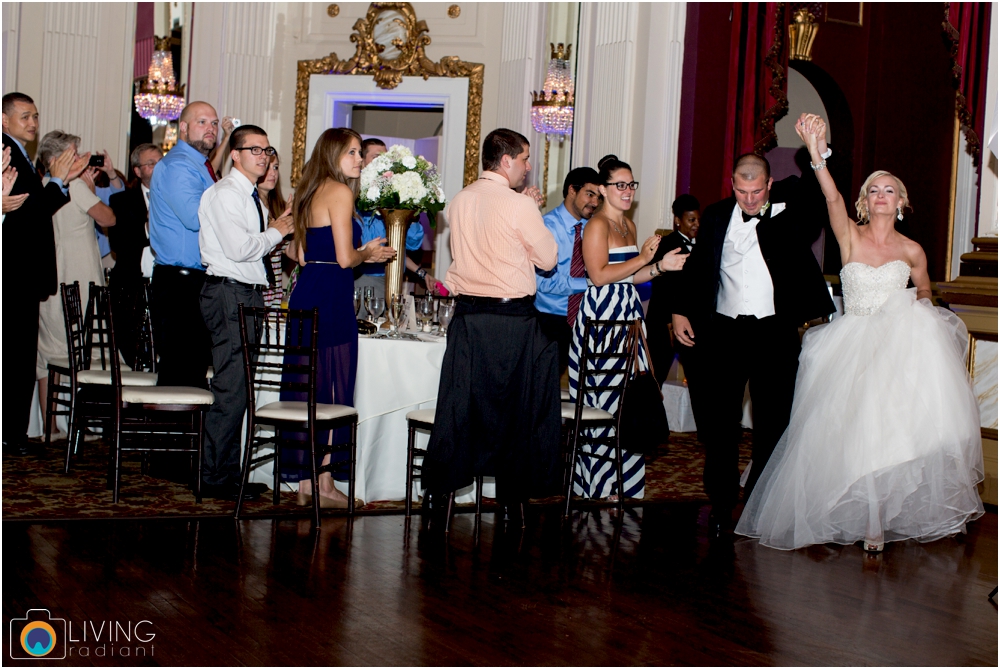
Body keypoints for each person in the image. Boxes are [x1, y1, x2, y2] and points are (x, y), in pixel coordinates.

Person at [736, 115, 985, 552]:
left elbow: (924, 289)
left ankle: (880, 518)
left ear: (901, 201)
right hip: (849, 346)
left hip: (899, 345)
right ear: (864, 202)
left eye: (890, 189)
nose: (881, 195)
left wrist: (922, 313)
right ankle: (858, 517)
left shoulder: (912, 250)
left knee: (892, 435)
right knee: (850, 435)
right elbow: (830, 195)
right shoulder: (849, 236)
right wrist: (816, 151)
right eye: (874, 189)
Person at [672, 115, 835, 536]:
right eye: (742, 191)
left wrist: (817, 150)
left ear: (769, 184)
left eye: (756, 191)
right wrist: (679, 309)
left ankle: (762, 501)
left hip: (774, 332)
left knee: (773, 422)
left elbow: (820, 203)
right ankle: (721, 502)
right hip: (724, 331)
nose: (748, 199)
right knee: (720, 423)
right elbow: (698, 270)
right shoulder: (714, 216)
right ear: (732, 184)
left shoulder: (791, 208)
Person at [421, 128, 561, 521]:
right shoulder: (519, 205)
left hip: (467, 318)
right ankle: (511, 501)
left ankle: (440, 494)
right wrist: (530, 210)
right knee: (516, 413)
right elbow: (548, 260)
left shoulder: (460, 200)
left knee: (459, 407)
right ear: (506, 161)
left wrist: (525, 206)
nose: (528, 166)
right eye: (525, 159)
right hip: (511, 322)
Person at [282, 127, 396, 508]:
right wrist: (369, 253)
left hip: (306, 291)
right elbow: (347, 259)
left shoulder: (307, 191)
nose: (360, 160)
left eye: (360, 152)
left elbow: (295, 253)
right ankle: (325, 483)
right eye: (352, 153)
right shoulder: (341, 192)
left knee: (305, 387)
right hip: (331, 294)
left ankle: (304, 484)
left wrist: (349, 254)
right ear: (333, 154)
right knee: (332, 388)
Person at [567, 155, 687, 501]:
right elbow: (599, 276)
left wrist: (661, 267)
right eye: (620, 185)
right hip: (601, 323)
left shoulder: (629, 227)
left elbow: (631, 278)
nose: (627, 191)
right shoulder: (597, 225)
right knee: (602, 406)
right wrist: (644, 258)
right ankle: (595, 486)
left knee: (630, 406)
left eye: (631, 184)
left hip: (628, 319)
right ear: (603, 189)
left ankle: (625, 485)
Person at [198, 124, 294, 501]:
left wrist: (274, 230)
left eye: (267, 150)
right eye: (254, 149)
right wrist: (277, 231)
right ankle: (214, 478)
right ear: (234, 155)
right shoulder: (226, 194)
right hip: (229, 292)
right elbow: (239, 249)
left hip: (243, 294)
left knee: (239, 389)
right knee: (231, 387)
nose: (263, 156)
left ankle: (227, 473)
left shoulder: (248, 195)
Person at [2, 92, 88, 455]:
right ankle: (12, 437)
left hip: (23, 273)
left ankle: (15, 435)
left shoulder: (17, 152)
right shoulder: (6, 152)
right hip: (14, 271)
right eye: (25, 116)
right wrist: (55, 182)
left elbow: (32, 209)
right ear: (4, 119)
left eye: (35, 116)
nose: (33, 123)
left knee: (20, 358)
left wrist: (59, 181)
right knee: (15, 359)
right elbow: (29, 214)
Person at [35, 131, 117, 436]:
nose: (83, 158)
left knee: (49, 353)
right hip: (79, 277)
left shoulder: (42, 187)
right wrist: (91, 186)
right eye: (76, 152)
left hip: (51, 280)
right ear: (60, 159)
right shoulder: (75, 187)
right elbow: (108, 219)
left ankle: (50, 428)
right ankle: (87, 424)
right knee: (88, 350)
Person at [148, 101, 219, 388]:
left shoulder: (197, 165)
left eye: (214, 123)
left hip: (191, 280)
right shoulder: (179, 166)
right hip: (180, 283)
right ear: (184, 128)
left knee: (191, 368)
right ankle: (168, 433)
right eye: (202, 122)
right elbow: (194, 218)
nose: (211, 129)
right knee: (181, 371)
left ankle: (180, 433)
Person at [535, 167, 602, 374]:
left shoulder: (593, 228)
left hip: (586, 317)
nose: (595, 203)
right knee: (546, 383)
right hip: (550, 319)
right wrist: (591, 283)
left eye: (598, 197)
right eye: (590, 194)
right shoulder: (546, 226)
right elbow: (542, 282)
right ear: (572, 190)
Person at [355, 137, 431, 315]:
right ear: (363, 162)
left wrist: (409, 212)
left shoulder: (393, 196)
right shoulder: (355, 199)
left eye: (385, 158)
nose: (383, 163)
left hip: (394, 278)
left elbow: (411, 245)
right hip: (364, 278)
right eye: (376, 157)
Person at [108, 143, 162, 365]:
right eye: (151, 164)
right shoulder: (121, 201)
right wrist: (149, 226)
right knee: (134, 353)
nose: (158, 168)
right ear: (138, 171)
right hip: (131, 290)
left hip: (166, 288)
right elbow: (119, 245)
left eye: (161, 162)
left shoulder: (180, 199)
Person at [645, 194, 701, 393]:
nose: (696, 224)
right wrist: (670, 320)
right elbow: (662, 286)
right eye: (691, 219)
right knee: (654, 377)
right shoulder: (666, 244)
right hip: (662, 323)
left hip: (692, 323)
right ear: (678, 220)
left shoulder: (703, 244)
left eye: (698, 219)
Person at [256, 151, 291, 308]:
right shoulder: (249, 205)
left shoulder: (281, 206)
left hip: (275, 291)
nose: (272, 173)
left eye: (275, 167)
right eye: (267, 166)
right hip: (256, 289)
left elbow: (291, 251)